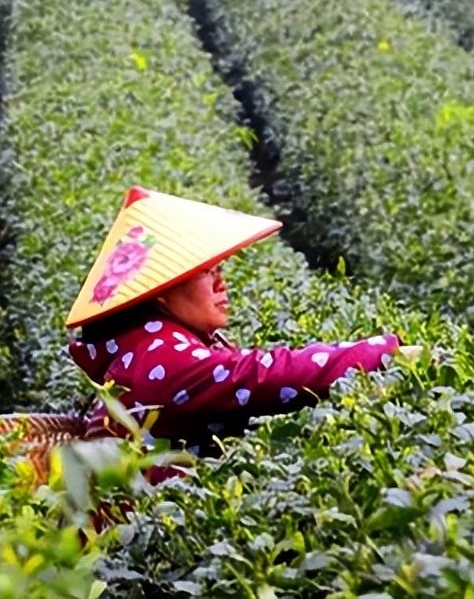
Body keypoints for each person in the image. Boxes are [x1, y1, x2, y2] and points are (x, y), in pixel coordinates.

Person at [65, 186, 411, 485]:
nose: (222, 284)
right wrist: (387, 353)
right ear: (161, 292)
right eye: (207, 273)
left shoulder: (146, 342)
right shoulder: (159, 356)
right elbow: (257, 375)